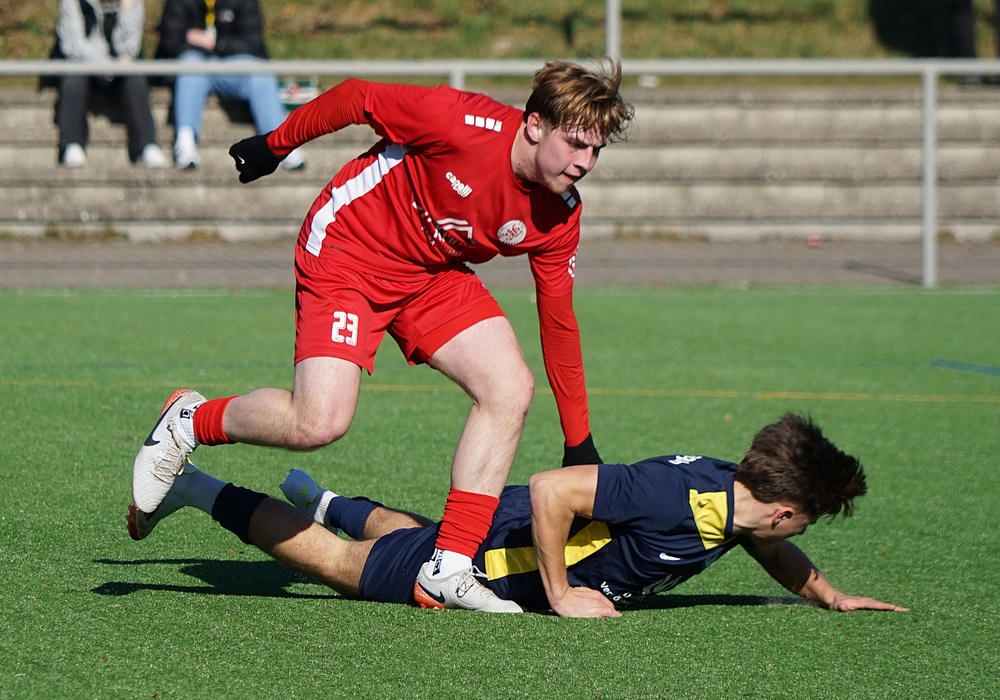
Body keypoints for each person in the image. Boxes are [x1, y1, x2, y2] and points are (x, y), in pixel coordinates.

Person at [130, 61, 633, 613]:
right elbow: (357, 97)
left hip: (429, 274)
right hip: (349, 249)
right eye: (575, 143)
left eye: (596, 150)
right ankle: (189, 420)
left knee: (509, 387)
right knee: (318, 422)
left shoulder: (561, 213)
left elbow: (558, 323)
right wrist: (275, 145)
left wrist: (579, 443)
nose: (584, 162)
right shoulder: (460, 121)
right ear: (535, 125)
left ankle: (449, 567)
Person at [127, 414, 909, 617]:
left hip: (499, 530)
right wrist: (562, 594)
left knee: (414, 532)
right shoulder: (674, 499)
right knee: (340, 567)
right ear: (784, 509)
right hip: (495, 561)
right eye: (806, 522)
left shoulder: (733, 501)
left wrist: (828, 593)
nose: (797, 535)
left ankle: (321, 497)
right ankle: (193, 486)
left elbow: (767, 550)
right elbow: (550, 490)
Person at [154, 0, 304, 170]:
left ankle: (281, 144)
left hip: (230, 65)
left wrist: (215, 43)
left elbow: (252, 42)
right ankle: (185, 144)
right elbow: (171, 40)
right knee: (191, 66)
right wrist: (200, 49)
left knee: (260, 74)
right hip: (193, 64)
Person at [52, 0, 168, 168]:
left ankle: (147, 145)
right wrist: (106, 66)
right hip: (85, 65)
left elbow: (129, 49)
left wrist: (128, 11)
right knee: (73, 77)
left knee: (134, 77)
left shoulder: (133, 3)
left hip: (117, 69)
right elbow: (72, 46)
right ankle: (72, 145)